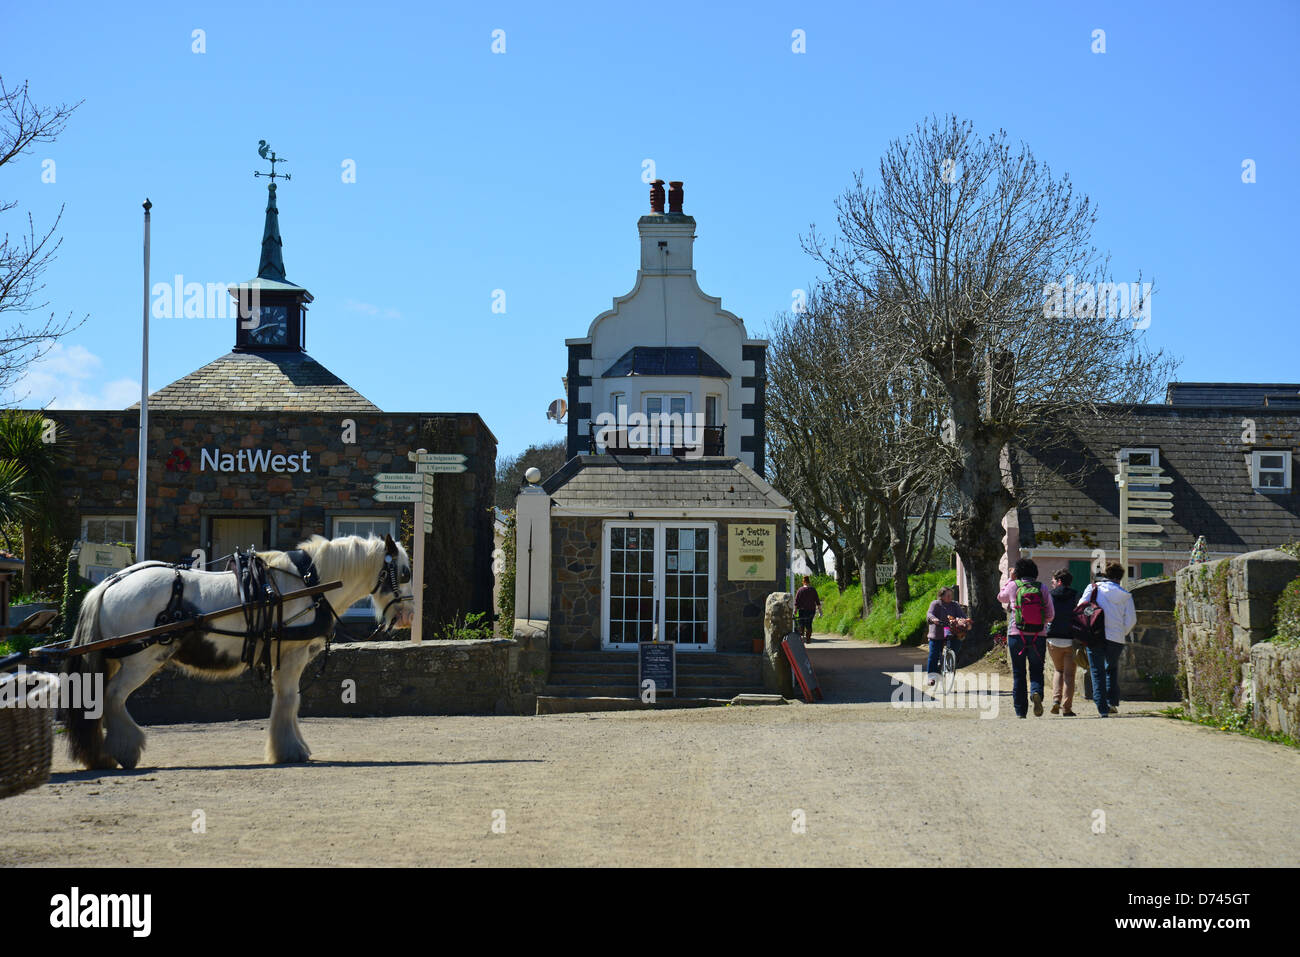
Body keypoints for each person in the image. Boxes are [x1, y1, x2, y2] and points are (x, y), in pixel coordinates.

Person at [1077, 562, 1137, 717]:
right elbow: (1131, 620)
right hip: (1116, 638)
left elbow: (1080, 607)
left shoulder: (1093, 589)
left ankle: (1102, 708)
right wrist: (1121, 632)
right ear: (1120, 577)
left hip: (1095, 635)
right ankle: (1112, 702)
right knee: (1111, 668)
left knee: (1097, 671)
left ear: (1104, 575)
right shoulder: (1125, 595)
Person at [997, 558, 1054, 718]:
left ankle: (1021, 711)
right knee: (1036, 670)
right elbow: (1050, 615)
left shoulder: (1014, 586)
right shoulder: (1042, 587)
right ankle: (1036, 692)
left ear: (1018, 572)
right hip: (1038, 636)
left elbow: (1000, 597)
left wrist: (1010, 578)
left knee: (1018, 673)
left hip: (1017, 634)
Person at [1045, 569, 1080, 716]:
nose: (1052, 584)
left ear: (1059, 581)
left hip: (1053, 638)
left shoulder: (1050, 595)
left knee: (1058, 670)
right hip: (1070, 639)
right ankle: (1066, 708)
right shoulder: (1075, 595)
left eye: (1053, 581)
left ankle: (1055, 700)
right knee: (1069, 675)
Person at [924, 586, 970, 687]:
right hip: (937, 633)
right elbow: (929, 614)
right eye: (947, 595)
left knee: (956, 645)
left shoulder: (954, 605)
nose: (950, 597)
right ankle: (931, 677)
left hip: (951, 631)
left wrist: (965, 621)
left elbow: (962, 615)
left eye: (951, 595)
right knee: (934, 654)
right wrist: (934, 619)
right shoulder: (936, 604)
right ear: (941, 596)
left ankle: (949, 661)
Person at [793, 575, 822, 643]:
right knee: (809, 624)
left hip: (802, 610)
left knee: (801, 624)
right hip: (811, 610)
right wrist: (820, 612)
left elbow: (796, 601)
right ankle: (808, 638)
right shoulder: (813, 590)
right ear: (809, 582)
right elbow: (817, 601)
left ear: (803, 582)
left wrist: (795, 610)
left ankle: (802, 637)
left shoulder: (800, 590)